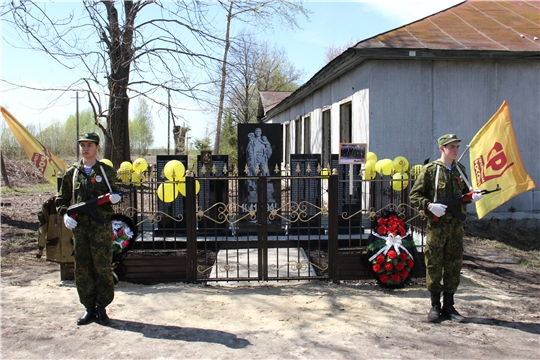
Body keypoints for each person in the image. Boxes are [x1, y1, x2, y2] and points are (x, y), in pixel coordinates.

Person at [409, 134, 482, 323]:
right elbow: (415, 195)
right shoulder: (431, 171)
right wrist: (429, 206)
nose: (456, 150)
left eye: (457, 146)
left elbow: (464, 194)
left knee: (453, 264)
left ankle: (449, 305)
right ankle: (435, 305)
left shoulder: (460, 170)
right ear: (442, 149)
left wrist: (471, 197)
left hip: (456, 227)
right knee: (434, 263)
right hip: (437, 226)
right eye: (452, 147)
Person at [55, 132, 122, 326]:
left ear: (97, 147)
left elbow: (113, 192)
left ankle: (102, 308)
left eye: (89, 145)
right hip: (80, 229)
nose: (85, 148)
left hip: (100, 228)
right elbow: (61, 199)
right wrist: (65, 215)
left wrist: (114, 198)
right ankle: (88, 307)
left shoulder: (104, 171)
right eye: (82, 145)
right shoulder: (72, 173)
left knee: (102, 268)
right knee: (82, 269)